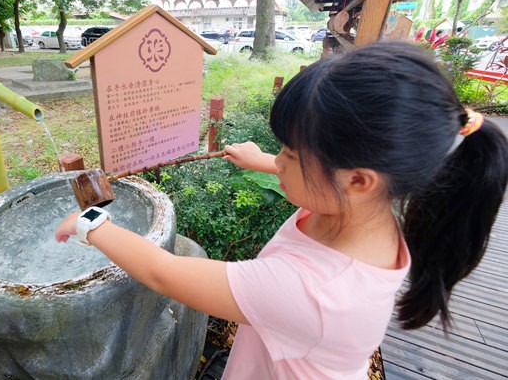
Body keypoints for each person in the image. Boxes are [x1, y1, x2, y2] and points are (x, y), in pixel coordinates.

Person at [55, 41, 508, 379]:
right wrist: (267, 163)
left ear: (358, 179)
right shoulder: (369, 213)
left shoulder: (310, 292)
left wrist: (92, 223)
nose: (282, 159)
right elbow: (328, 184)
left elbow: (163, 272)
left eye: (292, 152)